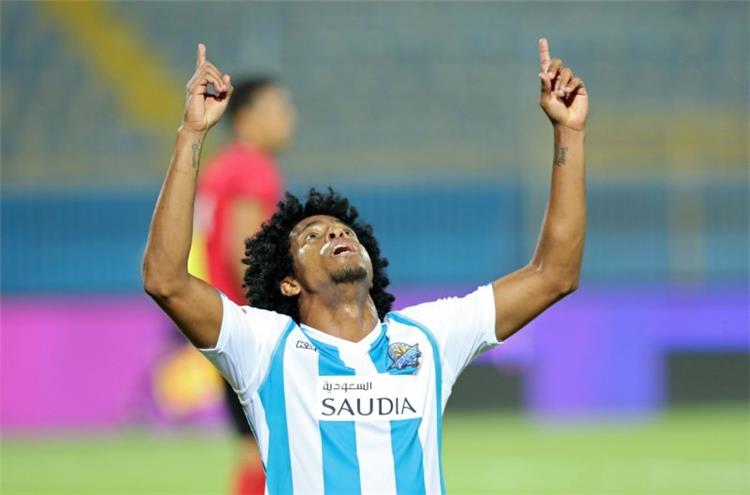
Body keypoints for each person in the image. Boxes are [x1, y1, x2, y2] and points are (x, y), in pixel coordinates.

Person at [143, 38, 587, 494]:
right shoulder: (266, 347)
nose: (335, 234)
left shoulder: (427, 338)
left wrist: (569, 133)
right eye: (311, 236)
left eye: (344, 231)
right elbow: (165, 281)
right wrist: (191, 134)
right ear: (289, 282)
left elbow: (553, 275)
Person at [188, 76, 295, 494]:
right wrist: (275, 320)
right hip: (249, 324)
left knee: (254, 445)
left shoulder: (222, 167)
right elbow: (244, 254)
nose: (290, 118)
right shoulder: (253, 169)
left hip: (223, 319)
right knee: (271, 445)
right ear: (247, 116)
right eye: (280, 108)